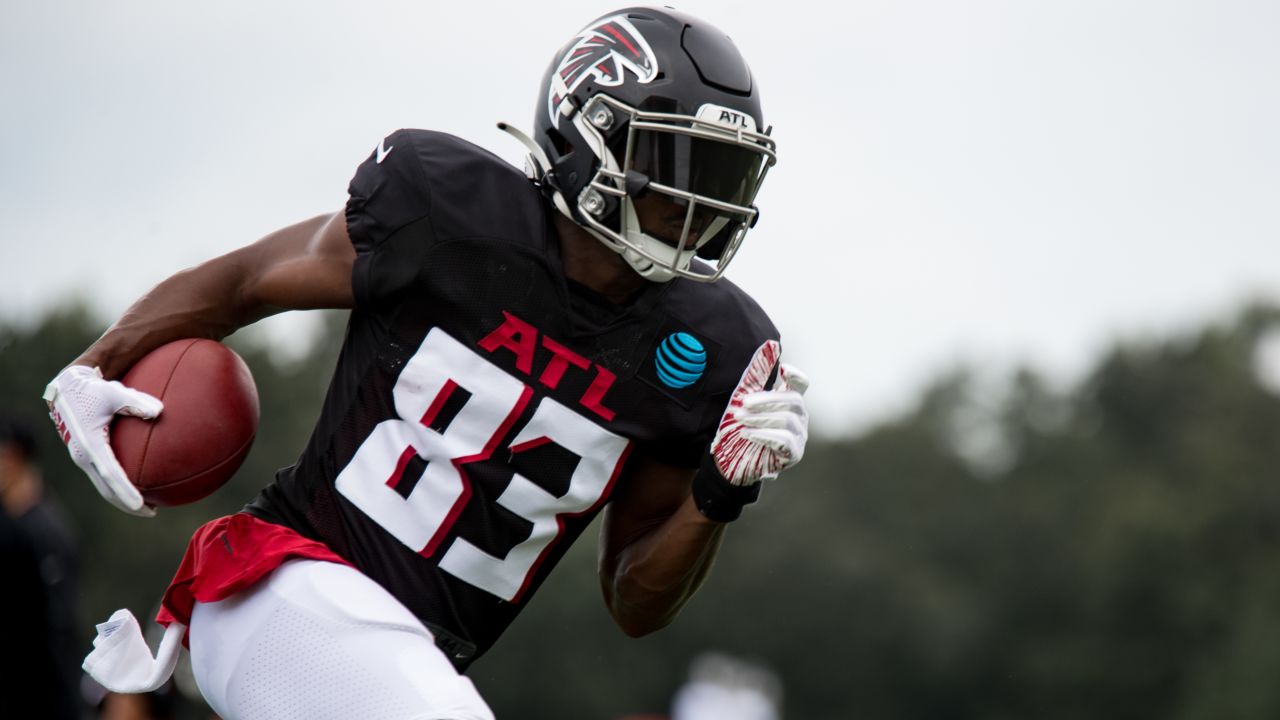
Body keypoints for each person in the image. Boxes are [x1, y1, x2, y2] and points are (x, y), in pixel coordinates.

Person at [43, 7, 810, 718]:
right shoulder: (453, 214)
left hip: (409, 658)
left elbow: (633, 603)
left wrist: (715, 495)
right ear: (589, 138)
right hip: (285, 585)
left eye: (719, 174)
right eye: (675, 163)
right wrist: (94, 364)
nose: (698, 200)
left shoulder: (709, 347)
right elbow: (245, 280)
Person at [0, 416, 84, 719]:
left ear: (14, 457)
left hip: (43, 701)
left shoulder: (47, 531)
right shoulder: (11, 526)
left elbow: (56, 629)